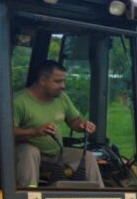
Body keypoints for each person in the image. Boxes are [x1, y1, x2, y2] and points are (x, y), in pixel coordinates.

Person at [13, 59, 102, 187]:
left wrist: (83, 125)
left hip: (56, 153)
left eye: (64, 81)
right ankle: (30, 197)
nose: (63, 86)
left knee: (88, 157)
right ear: (43, 80)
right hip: (27, 155)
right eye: (58, 81)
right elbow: (7, 132)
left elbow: (75, 121)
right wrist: (35, 132)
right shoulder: (19, 102)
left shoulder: (61, 98)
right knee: (30, 151)